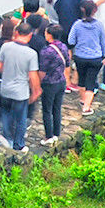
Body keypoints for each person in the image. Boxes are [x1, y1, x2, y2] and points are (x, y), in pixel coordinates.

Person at [0, 19, 41, 149]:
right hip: (20, 91)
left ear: (16, 32)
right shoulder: (31, 54)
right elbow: (33, 76)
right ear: (30, 35)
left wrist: (8, 73)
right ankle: (18, 144)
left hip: (5, 87)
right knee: (21, 119)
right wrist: (36, 91)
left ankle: (7, 136)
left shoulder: (6, 46)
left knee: (6, 112)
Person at [33, 15, 71, 143]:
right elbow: (67, 63)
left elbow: (42, 71)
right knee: (57, 108)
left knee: (47, 110)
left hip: (49, 83)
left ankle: (48, 136)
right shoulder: (64, 47)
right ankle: (56, 133)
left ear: (49, 35)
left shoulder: (46, 51)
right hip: (61, 81)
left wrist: (37, 84)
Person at [66, 0, 105, 115]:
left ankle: (83, 100)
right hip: (95, 57)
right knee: (91, 82)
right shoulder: (99, 25)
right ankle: (87, 107)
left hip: (80, 56)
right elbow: (103, 42)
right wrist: (104, 55)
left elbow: (71, 40)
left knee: (82, 80)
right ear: (94, 11)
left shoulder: (77, 25)